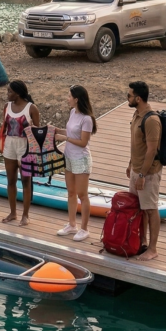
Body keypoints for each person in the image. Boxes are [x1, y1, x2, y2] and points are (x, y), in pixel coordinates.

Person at [54, 85, 97, 242]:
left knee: (82, 195)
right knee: (71, 192)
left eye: (69, 96)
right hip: (69, 157)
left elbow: (83, 142)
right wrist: (57, 130)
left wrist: (64, 138)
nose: (67, 99)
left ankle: (84, 229)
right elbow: (72, 132)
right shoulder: (73, 112)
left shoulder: (87, 119)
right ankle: (72, 225)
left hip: (81, 159)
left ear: (77, 99)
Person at [126, 81, 162, 261]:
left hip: (148, 173)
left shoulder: (151, 120)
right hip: (136, 169)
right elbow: (136, 144)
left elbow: (152, 150)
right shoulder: (137, 115)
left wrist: (142, 174)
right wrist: (130, 164)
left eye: (129, 95)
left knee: (150, 209)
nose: (127, 98)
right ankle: (142, 242)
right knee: (139, 208)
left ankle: (153, 249)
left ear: (138, 98)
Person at [0, 80, 41, 226]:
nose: (7, 94)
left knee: (25, 181)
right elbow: (4, 127)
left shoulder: (31, 108)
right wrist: (1, 144)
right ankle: (13, 213)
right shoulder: (7, 106)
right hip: (10, 144)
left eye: (10, 91)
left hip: (25, 145)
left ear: (17, 93)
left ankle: (25, 215)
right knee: (11, 180)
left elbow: (38, 132)